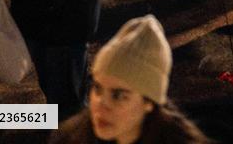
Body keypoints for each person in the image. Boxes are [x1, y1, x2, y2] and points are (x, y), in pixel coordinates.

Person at [53, 14, 208, 144]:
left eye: (118, 95)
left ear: (148, 102)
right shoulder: (73, 137)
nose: (101, 104)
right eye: (98, 88)